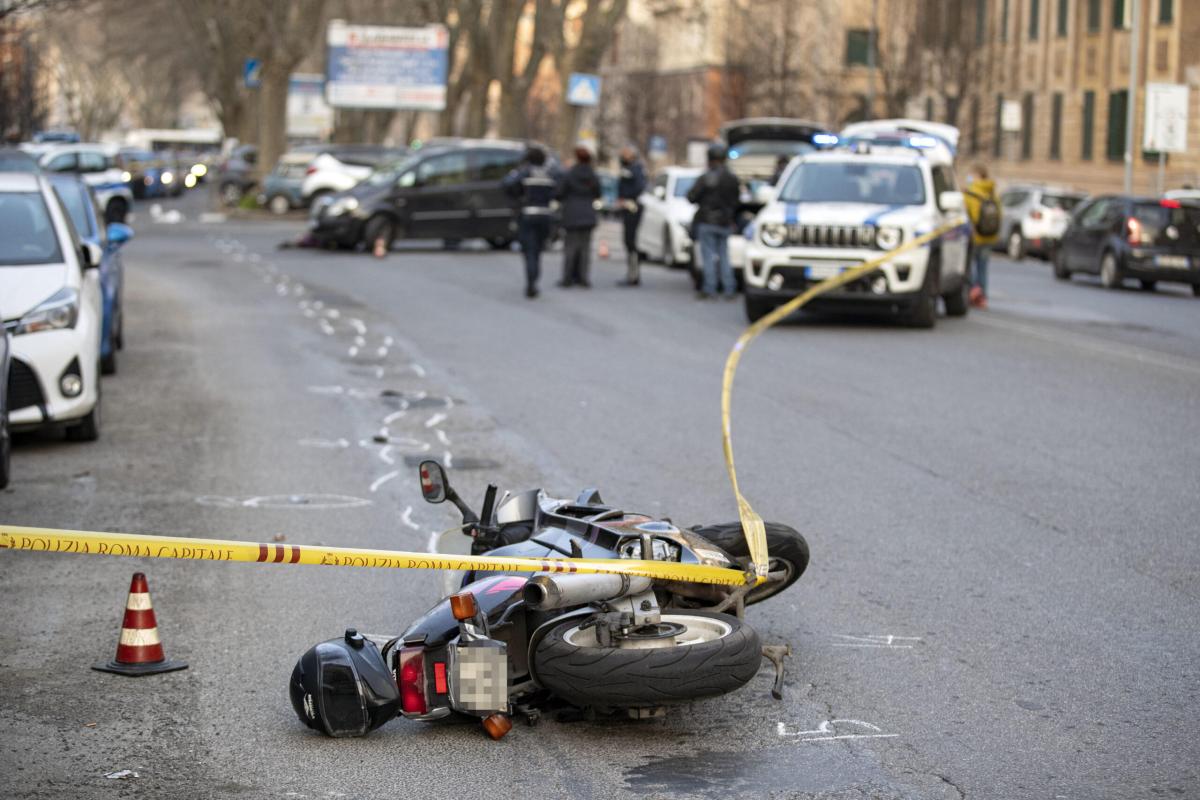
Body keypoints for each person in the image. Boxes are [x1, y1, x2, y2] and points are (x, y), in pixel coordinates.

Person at [502, 146, 559, 298]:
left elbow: (507, 185)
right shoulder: (550, 174)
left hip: (527, 216)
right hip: (545, 216)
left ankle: (531, 283)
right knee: (538, 251)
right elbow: (558, 191)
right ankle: (534, 281)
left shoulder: (524, 173)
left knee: (529, 251)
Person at [686, 141, 741, 300]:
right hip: (724, 222)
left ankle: (710, 289)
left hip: (707, 222)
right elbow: (736, 201)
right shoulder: (732, 178)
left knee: (708, 256)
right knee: (724, 256)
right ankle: (729, 289)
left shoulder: (705, 178)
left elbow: (692, 196)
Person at [556, 144, 601, 288]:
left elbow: (559, 192)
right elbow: (598, 193)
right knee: (585, 248)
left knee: (570, 247)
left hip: (572, 214)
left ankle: (567, 278)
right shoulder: (593, 175)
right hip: (588, 214)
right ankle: (583, 278)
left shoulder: (570, 174)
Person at [963, 163, 1000, 309]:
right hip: (988, 237)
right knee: (983, 268)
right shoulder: (992, 192)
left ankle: (972, 292)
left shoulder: (971, 193)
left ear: (977, 176)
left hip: (974, 236)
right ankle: (982, 296)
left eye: (972, 175)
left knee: (968, 266)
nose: (970, 177)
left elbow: (965, 215)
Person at [615, 145, 647, 287]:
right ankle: (631, 273)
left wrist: (627, 198)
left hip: (632, 208)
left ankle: (633, 275)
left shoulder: (636, 168)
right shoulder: (627, 168)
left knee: (630, 241)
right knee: (628, 241)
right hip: (627, 207)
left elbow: (639, 187)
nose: (623, 156)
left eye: (625, 153)